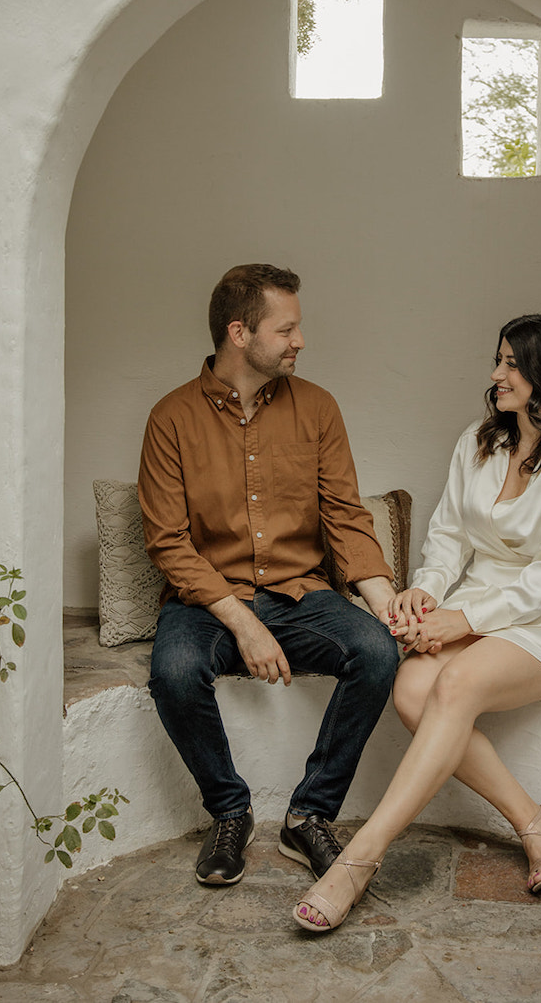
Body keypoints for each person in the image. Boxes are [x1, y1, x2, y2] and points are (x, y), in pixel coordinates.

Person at [293, 313, 541, 932]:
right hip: (472, 604)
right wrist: (425, 593)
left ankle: (360, 859)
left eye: (511, 363)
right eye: (497, 360)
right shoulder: (480, 440)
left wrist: (461, 622)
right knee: (412, 688)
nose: (496, 375)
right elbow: (448, 536)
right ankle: (536, 822)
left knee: (452, 685)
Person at [139, 264, 399, 888]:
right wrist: (243, 622)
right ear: (239, 332)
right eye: (287, 329)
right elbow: (168, 543)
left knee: (377, 652)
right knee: (173, 672)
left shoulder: (318, 407)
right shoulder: (171, 418)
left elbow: (344, 515)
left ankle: (309, 814)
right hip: (208, 602)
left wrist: (384, 601)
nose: (299, 341)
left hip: (300, 594)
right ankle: (229, 810)